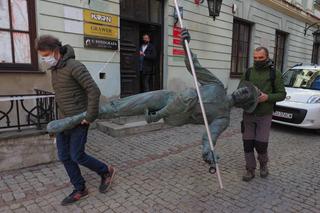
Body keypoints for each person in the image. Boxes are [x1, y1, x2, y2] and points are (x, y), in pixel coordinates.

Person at [47, 29, 260, 170]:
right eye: (245, 90)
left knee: (180, 99)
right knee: (117, 107)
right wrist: (186, 45)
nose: (242, 93)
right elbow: (195, 67)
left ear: (244, 103)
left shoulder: (223, 118)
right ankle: (76, 119)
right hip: (167, 97)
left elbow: (210, 137)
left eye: (246, 95)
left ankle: (71, 121)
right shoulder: (216, 85)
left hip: (175, 113)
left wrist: (208, 152)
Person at [35, 35, 116, 205]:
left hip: (80, 120)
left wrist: (89, 117)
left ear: (56, 51)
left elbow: (93, 91)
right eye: (42, 56)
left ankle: (106, 171)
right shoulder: (55, 70)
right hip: (64, 121)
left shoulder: (75, 66)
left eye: (46, 55)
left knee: (77, 155)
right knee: (64, 156)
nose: (44, 59)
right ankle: (80, 188)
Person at [240, 47, 286, 182]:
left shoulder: (274, 73)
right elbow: (240, 89)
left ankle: (264, 164)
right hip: (248, 113)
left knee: (261, 144)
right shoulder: (248, 72)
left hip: (265, 114)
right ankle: (250, 169)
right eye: (255, 58)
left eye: (260, 58)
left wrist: (267, 97)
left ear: (267, 57)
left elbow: (282, 94)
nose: (257, 60)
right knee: (247, 143)